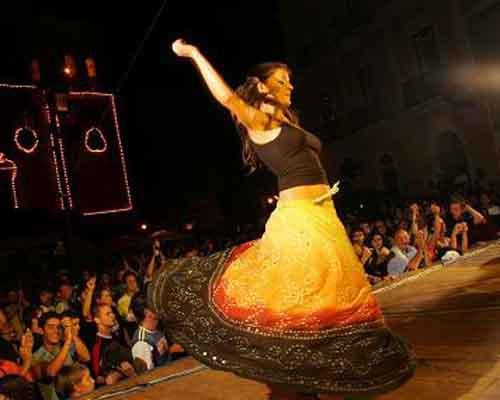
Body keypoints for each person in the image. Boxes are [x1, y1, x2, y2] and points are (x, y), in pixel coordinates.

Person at [148, 39, 415, 400]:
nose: (290, 87)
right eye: (281, 81)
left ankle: (315, 376)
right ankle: (301, 379)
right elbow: (227, 98)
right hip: (299, 221)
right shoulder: (257, 118)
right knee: (300, 302)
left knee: (328, 302)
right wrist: (194, 55)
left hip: (324, 216)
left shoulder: (286, 120)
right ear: (261, 87)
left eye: (290, 81)